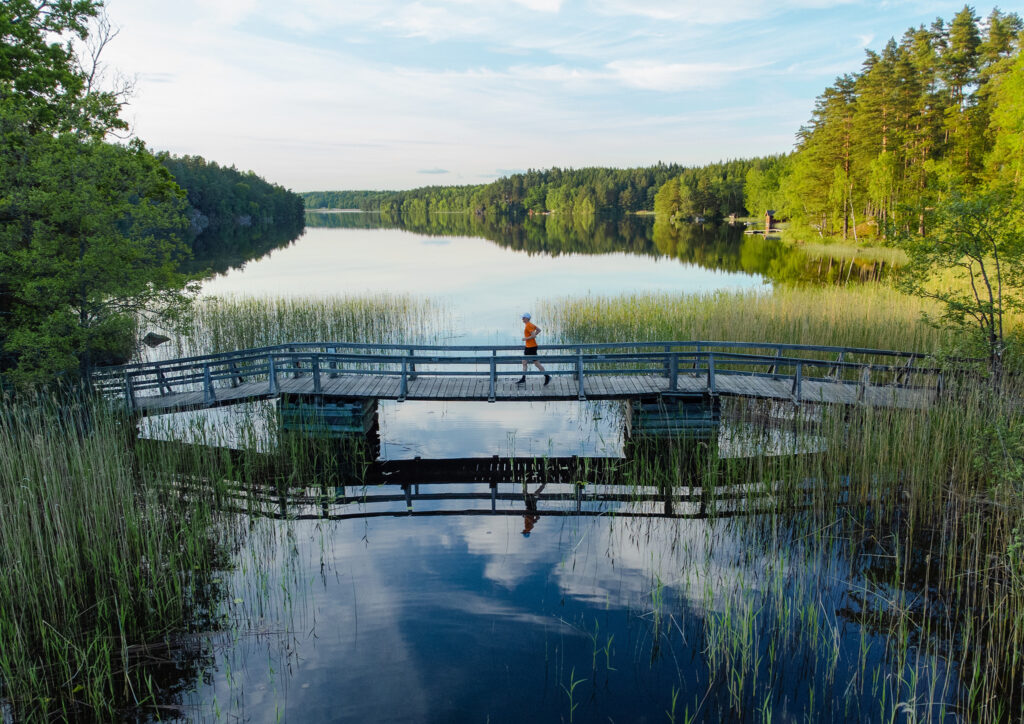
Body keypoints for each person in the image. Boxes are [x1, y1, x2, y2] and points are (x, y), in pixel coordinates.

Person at [516, 312, 550, 385]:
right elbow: (539, 330)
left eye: (524, 318)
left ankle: (547, 376)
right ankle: (523, 378)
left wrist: (526, 339)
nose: (522, 319)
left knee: (536, 363)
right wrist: (530, 338)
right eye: (522, 317)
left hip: (531, 347)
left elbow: (534, 336)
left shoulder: (529, 325)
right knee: (524, 362)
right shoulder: (530, 324)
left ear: (527, 318)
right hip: (529, 347)